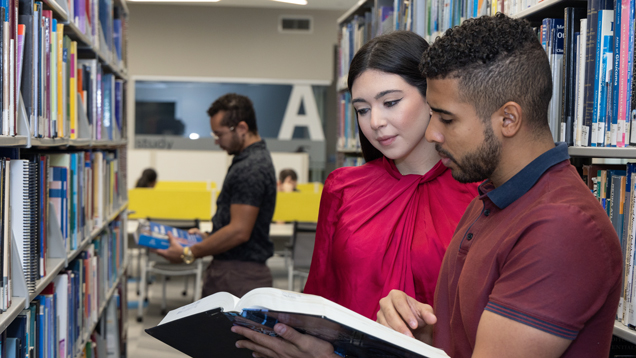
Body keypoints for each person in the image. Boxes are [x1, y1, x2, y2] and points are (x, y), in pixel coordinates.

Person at [231, 14, 623, 358]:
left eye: (446, 119)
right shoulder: (489, 202)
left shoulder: (561, 226)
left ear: (508, 119)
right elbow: (465, 340)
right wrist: (426, 336)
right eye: (362, 110)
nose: (433, 133)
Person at [303, 30, 478, 320]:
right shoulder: (342, 187)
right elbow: (321, 294)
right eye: (362, 109)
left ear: (431, 95)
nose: (374, 122)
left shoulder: (480, 192)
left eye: (391, 102)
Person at [155, 93, 278, 298]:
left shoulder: (251, 167)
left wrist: (189, 253)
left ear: (241, 128)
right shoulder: (250, 160)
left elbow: (239, 231)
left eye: (219, 134)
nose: (217, 141)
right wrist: (209, 238)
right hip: (236, 273)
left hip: (237, 277)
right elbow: (237, 225)